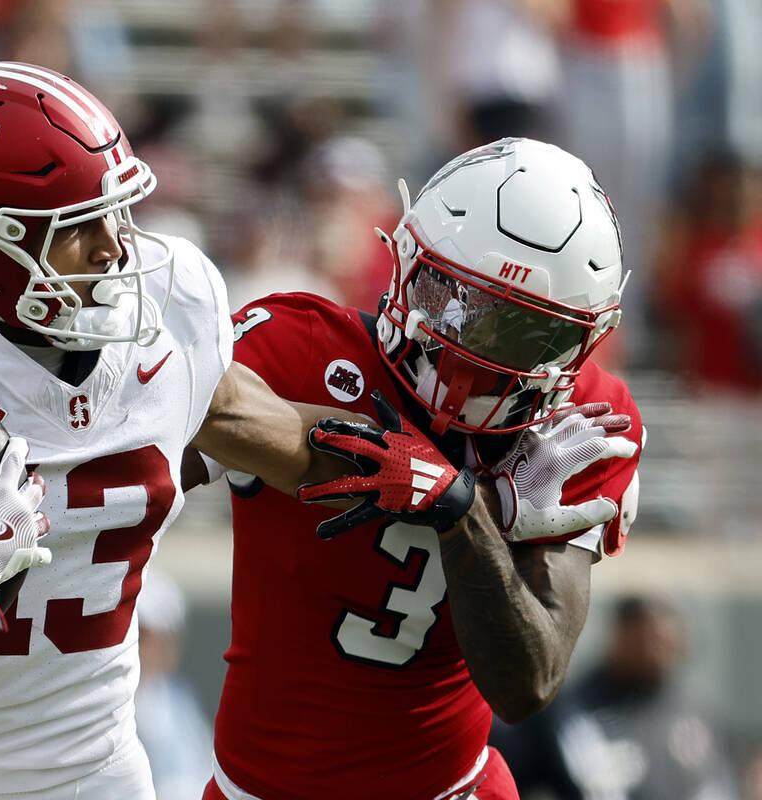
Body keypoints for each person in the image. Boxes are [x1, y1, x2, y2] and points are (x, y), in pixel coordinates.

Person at [0, 61, 419, 798]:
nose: (116, 247)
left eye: (116, 211)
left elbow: (297, 444)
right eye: (77, 226)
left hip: (101, 776)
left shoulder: (164, 315)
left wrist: (470, 473)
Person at [197, 137, 645, 800]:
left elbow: (531, 681)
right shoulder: (295, 347)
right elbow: (133, 458)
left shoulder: (583, 424)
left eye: (518, 332)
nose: (467, 352)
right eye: (451, 299)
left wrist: (461, 512)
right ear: (405, 259)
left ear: (581, 341)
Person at [492, 594, 739, 800]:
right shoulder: (568, 711)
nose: (662, 651)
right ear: (621, 633)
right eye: (652, 639)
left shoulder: (696, 713)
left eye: (669, 643)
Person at [134, 569, 214, 800]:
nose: (147, 646)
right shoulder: (113, 704)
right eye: (141, 633)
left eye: (150, 634)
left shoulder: (180, 698)